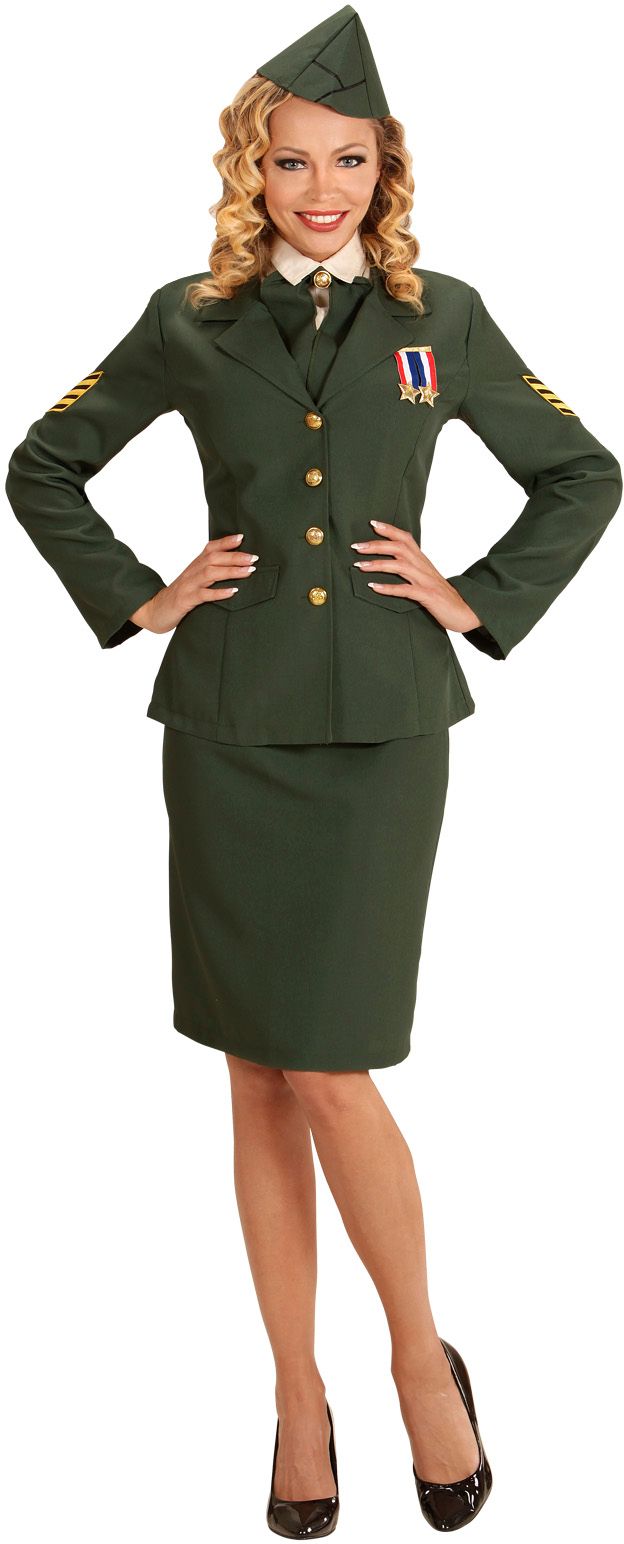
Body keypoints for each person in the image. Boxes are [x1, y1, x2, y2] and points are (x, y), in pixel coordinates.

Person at [5, 5, 621, 1535]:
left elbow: (582, 471)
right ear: (252, 171)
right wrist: (141, 593)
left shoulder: (441, 317)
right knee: (256, 1073)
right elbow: (42, 463)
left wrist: (477, 595)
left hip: (384, 735)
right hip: (229, 725)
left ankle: (419, 1362)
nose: (322, 188)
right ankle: (296, 1393)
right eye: (292, 161)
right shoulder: (189, 318)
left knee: (332, 1068)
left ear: (385, 168)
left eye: (350, 159)